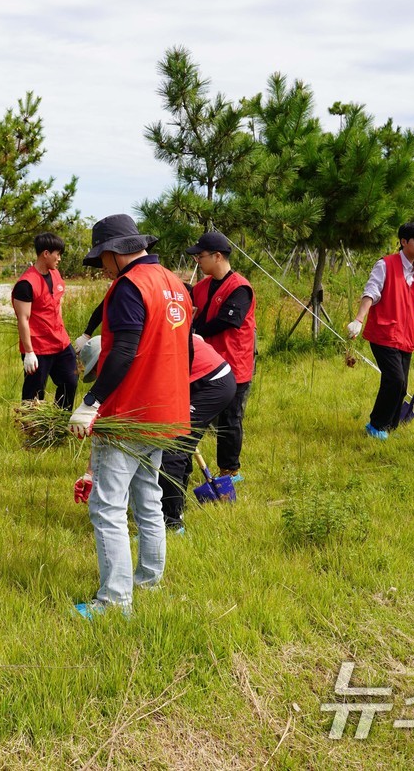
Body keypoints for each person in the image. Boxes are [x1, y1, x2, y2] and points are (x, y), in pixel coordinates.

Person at [68, 214, 191, 619]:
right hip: (165, 411)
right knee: (148, 498)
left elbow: (122, 351)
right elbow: (186, 352)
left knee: (107, 508)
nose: (102, 269)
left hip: (129, 412)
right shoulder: (176, 285)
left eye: (102, 258)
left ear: (116, 252)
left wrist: (91, 402)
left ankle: (115, 601)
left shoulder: (128, 286)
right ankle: (150, 583)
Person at [346, 222, 414, 440]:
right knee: (394, 380)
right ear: (404, 242)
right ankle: (376, 425)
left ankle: (391, 424)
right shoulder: (385, 265)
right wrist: (359, 319)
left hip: (407, 335)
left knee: (402, 385)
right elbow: (371, 292)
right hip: (383, 333)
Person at [186, 230, 255, 481]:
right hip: (204, 364)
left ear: (217, 256)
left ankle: (230, 470)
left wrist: (195, 332)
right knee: (196, 414)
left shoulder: (240, 287)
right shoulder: (201, 287)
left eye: (200, 256)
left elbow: (229, 320)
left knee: (230, 418)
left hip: (235, 362)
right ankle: (184, 462)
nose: (197, 261)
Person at [159, 335, 236, 532]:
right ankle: (178, 505)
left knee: (172, 448)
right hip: (203, 380)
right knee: (183, 446)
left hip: (212, 383)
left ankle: (171, 523)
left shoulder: (137, 348)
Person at [13, 232, 77, 409]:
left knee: (70, 381)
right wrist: (29, 352)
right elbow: (23, 320)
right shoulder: (26, 284)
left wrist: (63, 333)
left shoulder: (56, 275)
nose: (60, 259)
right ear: (46, 254)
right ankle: (31, 431)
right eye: (58, 254)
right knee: (35, 393)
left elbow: (57, 305)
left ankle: (59, 423)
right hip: (38, 347)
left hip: (60, 342)